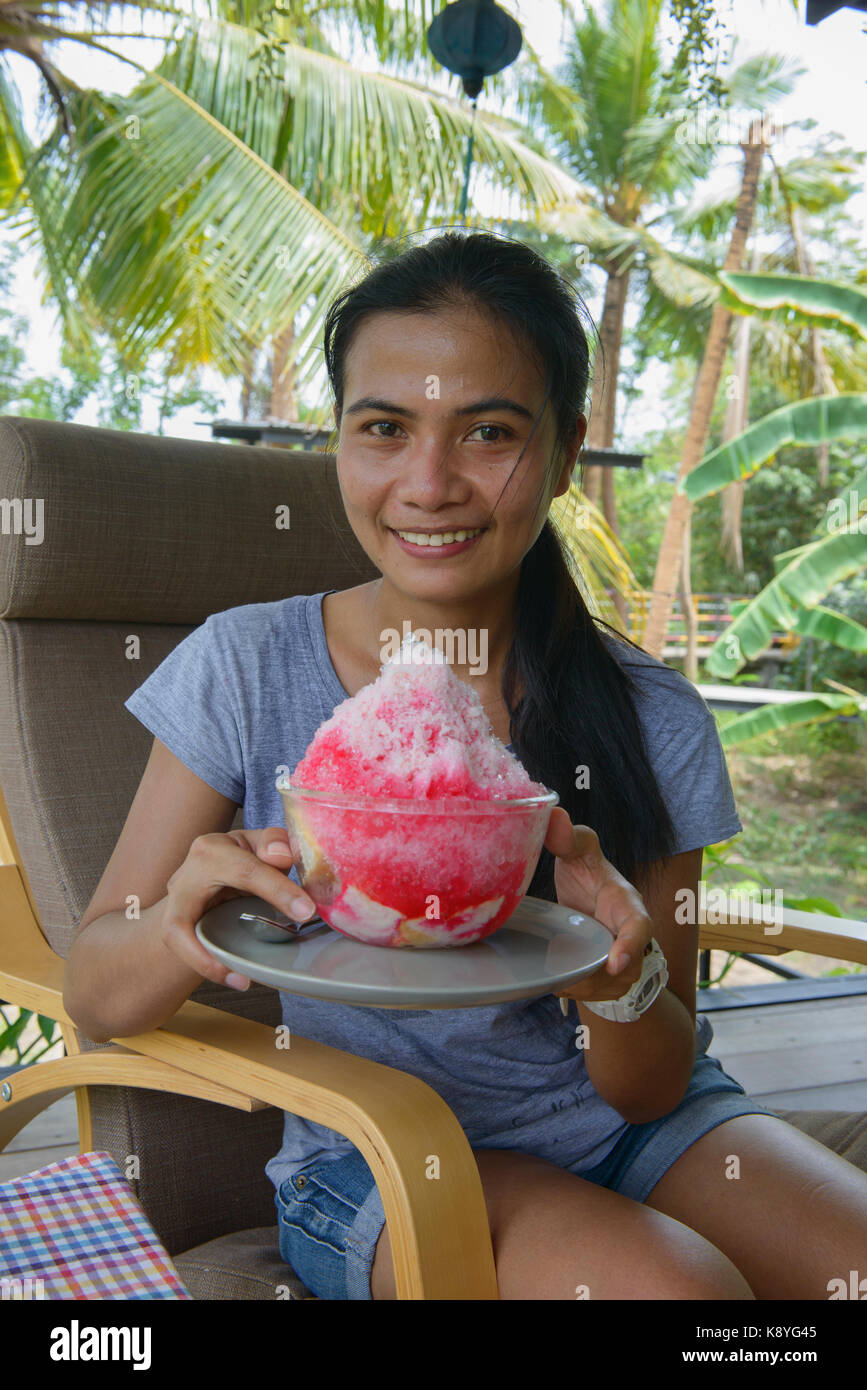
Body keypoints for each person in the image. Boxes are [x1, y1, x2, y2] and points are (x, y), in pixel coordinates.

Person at [64, 230, 867, 1302]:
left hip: (646, 1130)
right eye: (383, 429)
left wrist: (619, 984)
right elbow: (95, 986)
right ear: (339, 441)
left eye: (488, 432)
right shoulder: (248, 667)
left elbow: (652, 1084)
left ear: (568, 448)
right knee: (681, 1296)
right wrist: (171, 922)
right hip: (382, 1153)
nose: (429, 484)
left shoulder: (650, 717)